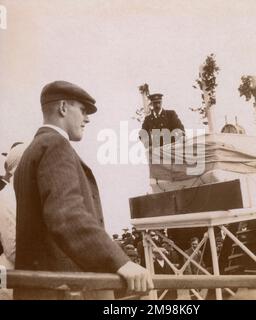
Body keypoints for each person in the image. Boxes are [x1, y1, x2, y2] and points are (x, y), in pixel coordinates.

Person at [13, 80, 153, 300]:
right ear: (62, 108)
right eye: (83, 110)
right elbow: (66, 216)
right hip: (64, 291)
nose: (87, 118)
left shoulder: (31, 151)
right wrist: (121, 261)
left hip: (39, 289)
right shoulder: (55, 145)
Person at [0, 142, 26, 300]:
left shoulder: (24, 195)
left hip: (22, 276)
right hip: (9, 278)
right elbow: (13, 250)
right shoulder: (7, 197)